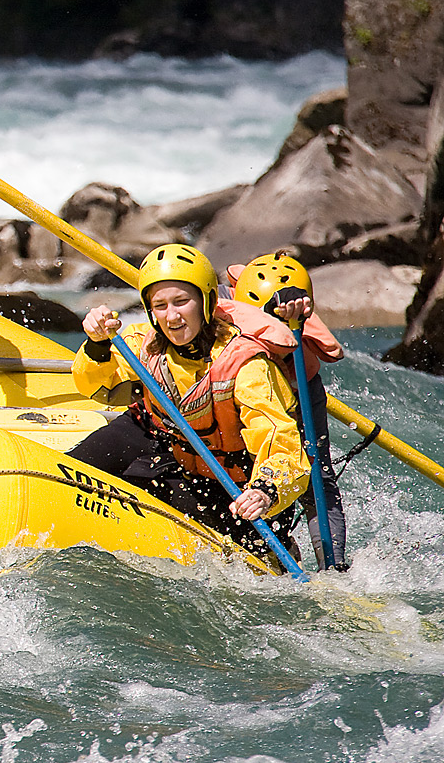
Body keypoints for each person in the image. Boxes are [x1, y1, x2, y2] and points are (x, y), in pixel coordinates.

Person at [68, 243, 309, 565]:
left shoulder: (246, 365)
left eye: (182, 302)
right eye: (161, 305)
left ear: (206, 302)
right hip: (165, 445)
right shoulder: (144, 343)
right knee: (75, 467)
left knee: (240, 553)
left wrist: (264, 491)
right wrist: (97, 344)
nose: (172, 316)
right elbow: (96, 384)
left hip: (230, 480)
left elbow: (281, 443)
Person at [229, 251, 348, 569]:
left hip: (300, 395)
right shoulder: (232, 327)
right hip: (253, 392)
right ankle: (270, 539)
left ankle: (332, 567)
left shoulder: (299, 342)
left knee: (316, 480)